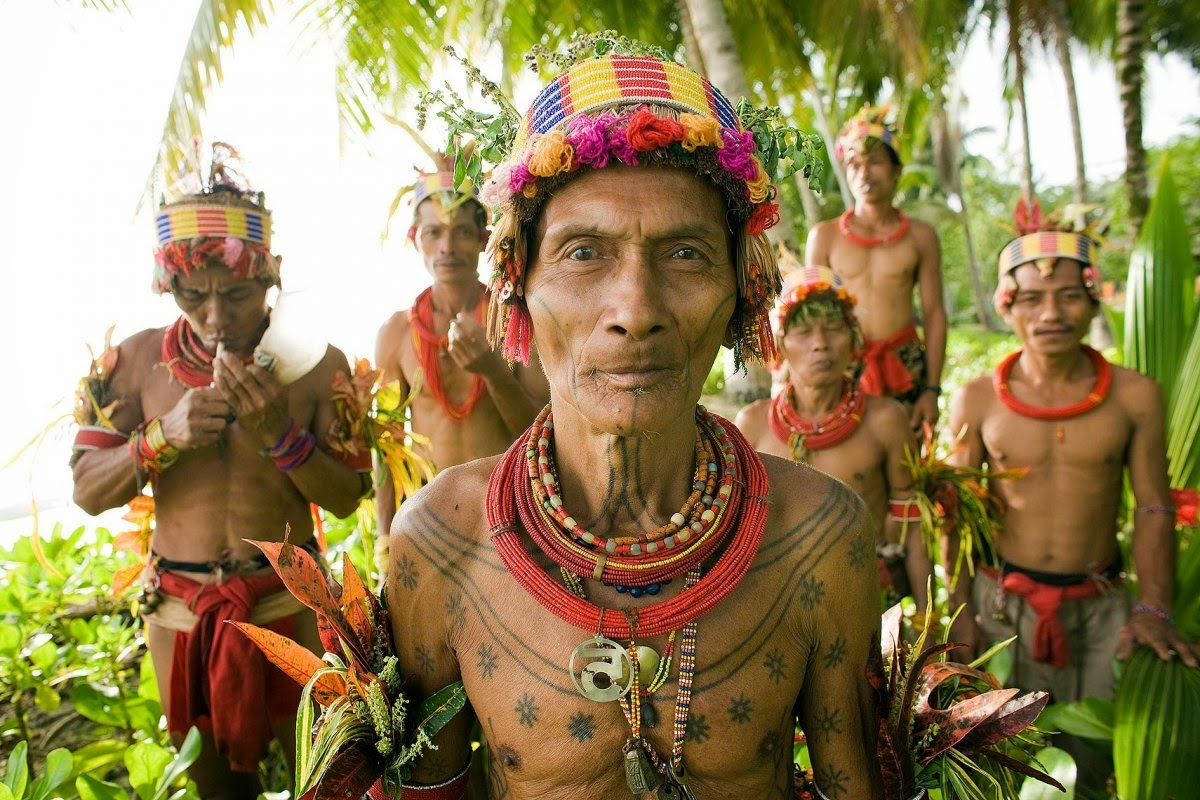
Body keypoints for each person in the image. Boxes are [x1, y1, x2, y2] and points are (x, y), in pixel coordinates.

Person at [386, 46, 884, 799]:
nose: (636, 312)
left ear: (741, 299)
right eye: (583, 253)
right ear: (517, 292)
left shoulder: (819, 538)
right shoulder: (441, 542)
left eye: (686, 253)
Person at [71, 150, 370, 799]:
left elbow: (349, 498)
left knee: (321, 781)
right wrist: (160, 439)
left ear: (272, 278)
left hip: (290, 606)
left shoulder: (321, 368)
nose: (212, 317)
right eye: (191, 295)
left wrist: (280, 438)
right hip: (181, 615)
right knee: (213, 791)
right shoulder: (134, 363)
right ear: (165, 285)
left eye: (234, 294)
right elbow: (87, 489)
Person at [946, 218, 1199, 790]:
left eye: (1067, 297)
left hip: (1103, 606)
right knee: (1006, 756)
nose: (1050, 314)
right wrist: (960, 612)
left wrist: (1154, 608)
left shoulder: (1135, 395)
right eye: (1031, 299)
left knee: (1096, 763)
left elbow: (1154, 506)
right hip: (1004, 608)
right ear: (1007, 308)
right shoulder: (979, 399)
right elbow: (959, 512)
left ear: (1091, 300)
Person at [736, 265, 931, 612]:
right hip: (780, 604)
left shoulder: (885, 421)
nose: (821, 344)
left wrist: (929, 619)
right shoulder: (753, 425)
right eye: (803, 331)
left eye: (833, 328)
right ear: (779, 344)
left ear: (853, 339)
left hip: (868, 597)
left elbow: (912, 527)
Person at [374, 162, 547, 538]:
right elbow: (389, 447)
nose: (447, 247)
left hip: (506, 521)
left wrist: (493, 371)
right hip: (427, 525)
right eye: (433, 232)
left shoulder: (516, 321)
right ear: (415, 237)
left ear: (484, 238)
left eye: (462, 232)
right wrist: (386, 539)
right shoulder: (395, 334)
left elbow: (543, 438)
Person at [805, 105, 946, 431]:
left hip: (904, 363)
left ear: (897, 170)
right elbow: (812, 314)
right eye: (854, 164)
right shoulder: (824, 237)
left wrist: (932, 389)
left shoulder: (921, 237)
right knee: (845, 458)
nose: (864, 173)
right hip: (844, 363)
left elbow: (934, 313)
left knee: (907, 463)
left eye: (876, 162)